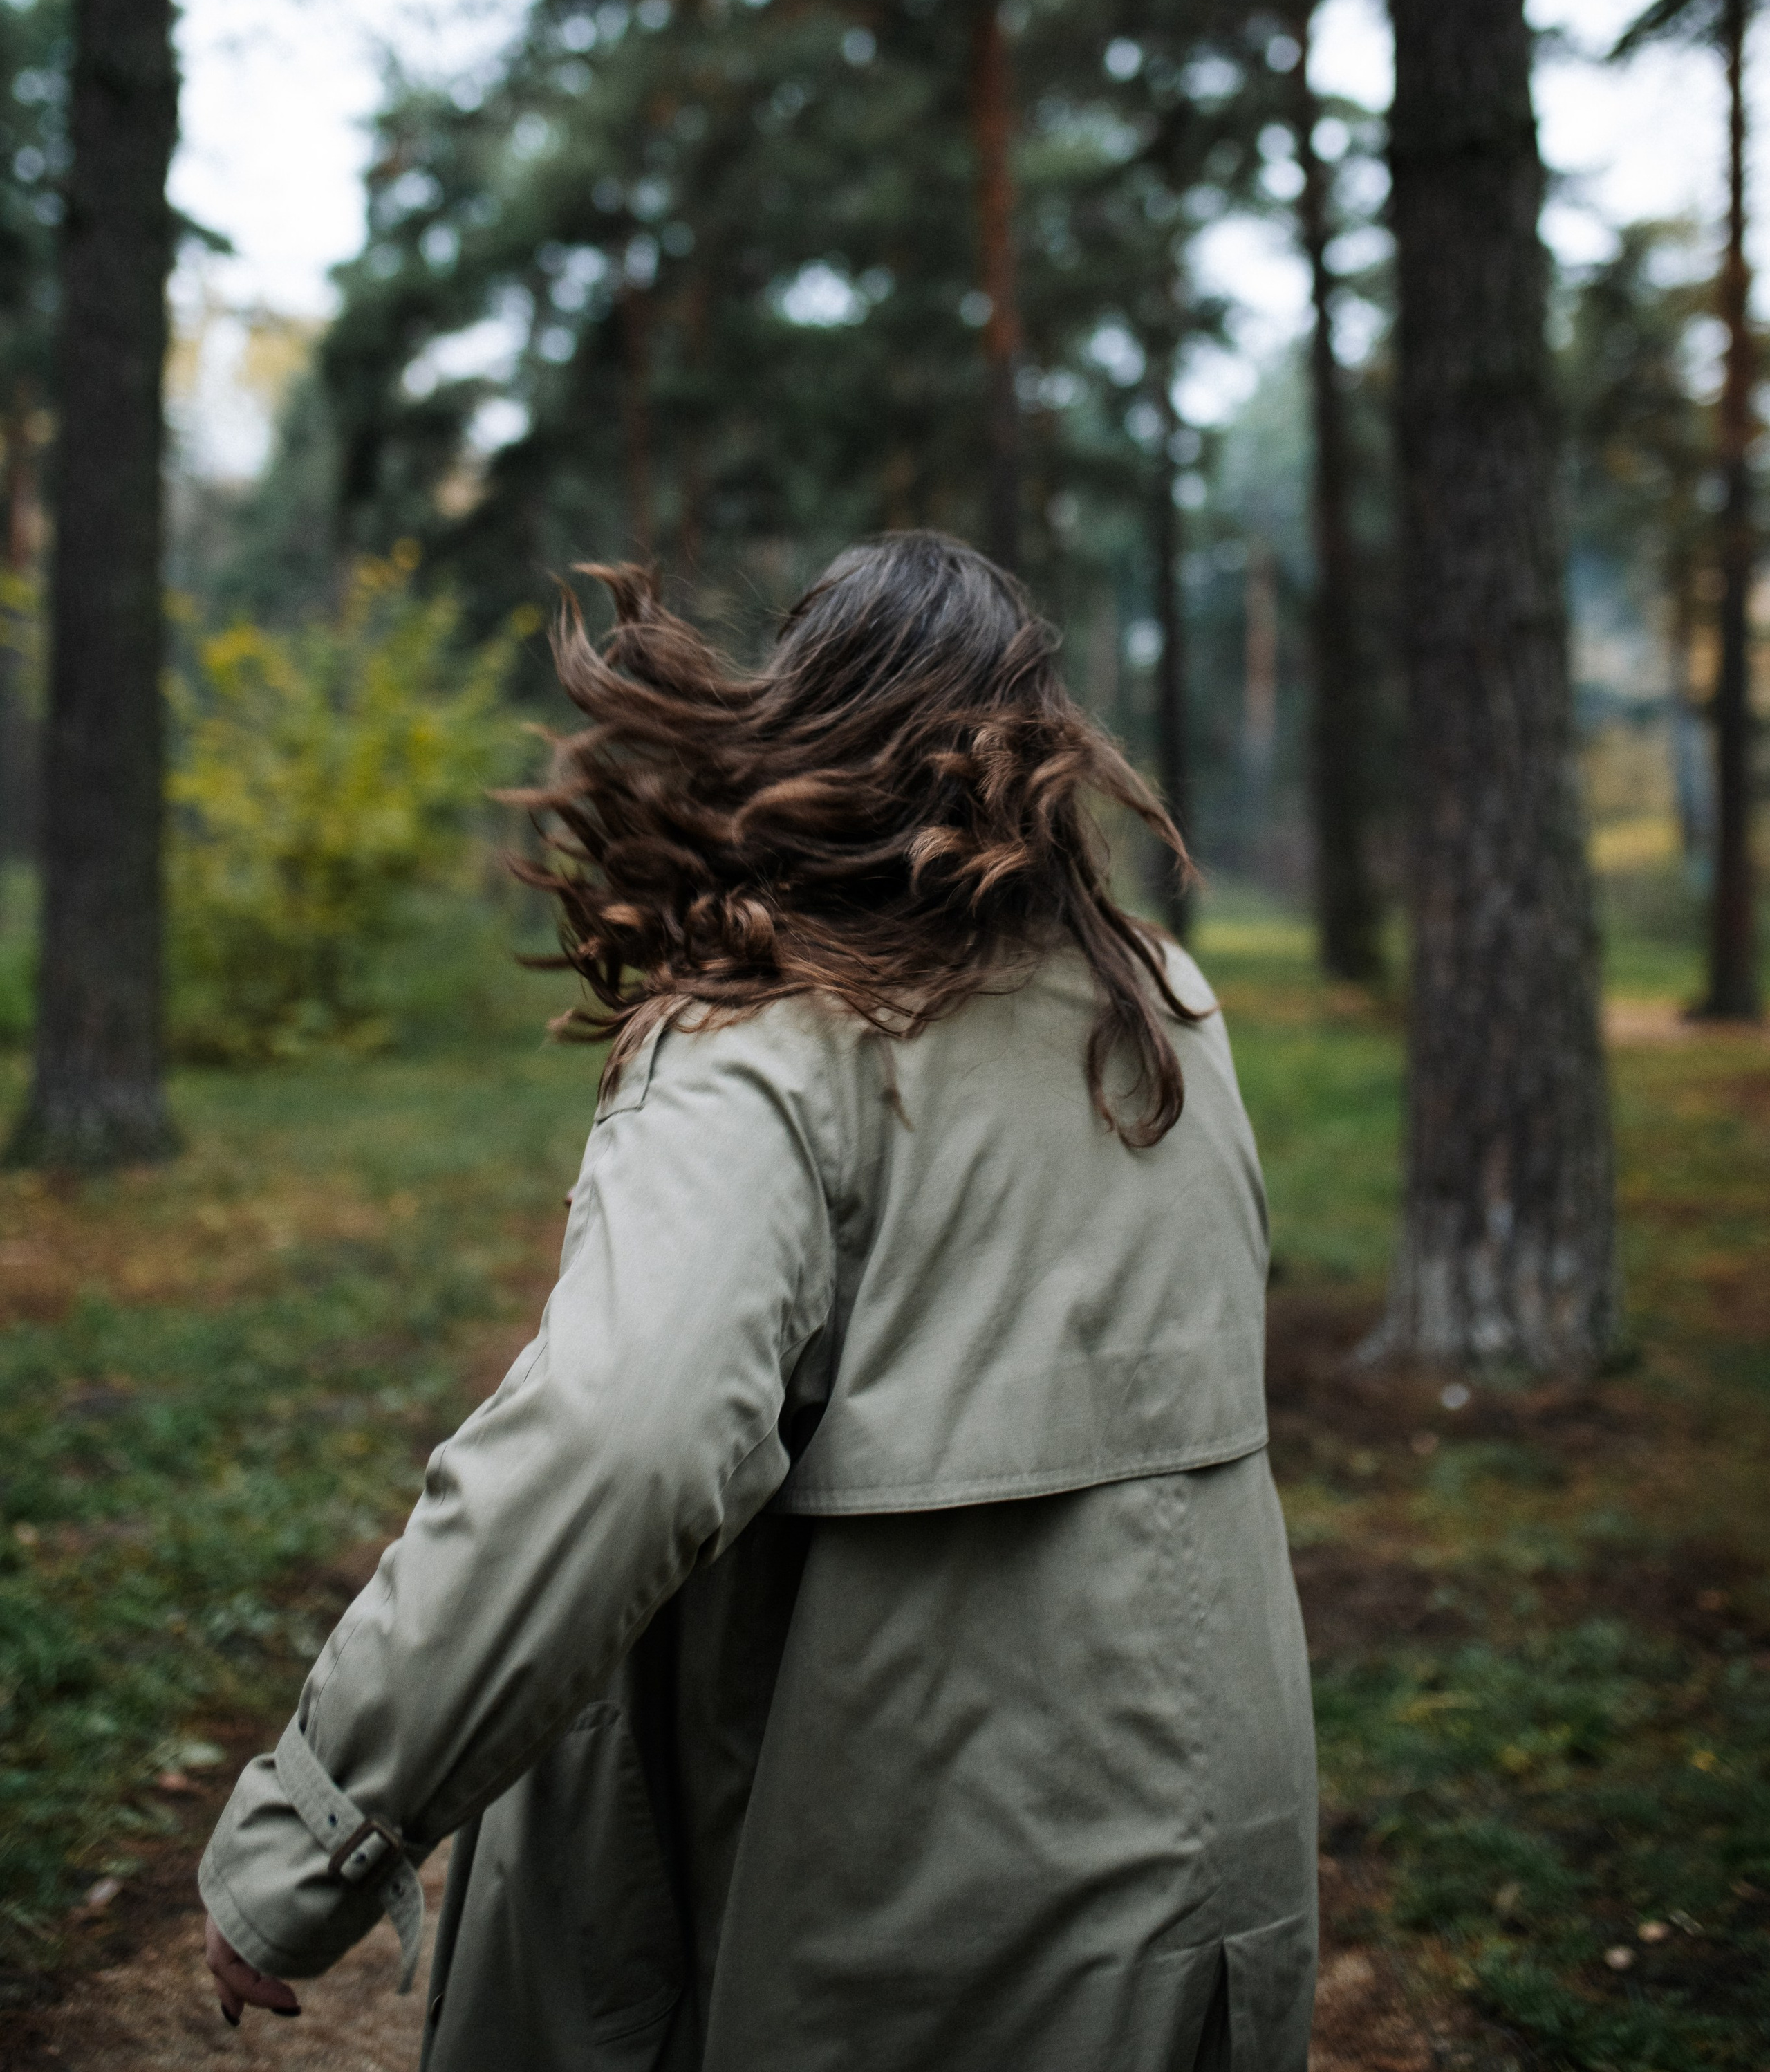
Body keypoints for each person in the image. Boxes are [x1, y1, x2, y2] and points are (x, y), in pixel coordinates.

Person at [198, 531, 1316, 2069]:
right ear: (1041, 756)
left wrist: (317, 1828)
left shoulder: (772, 1043)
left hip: (904, 1886)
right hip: (1208, 1864)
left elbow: (618, 1445)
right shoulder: (1166, 1012)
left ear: (798, 726)